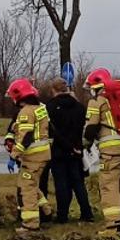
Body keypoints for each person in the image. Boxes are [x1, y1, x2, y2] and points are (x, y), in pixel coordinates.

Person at [83, 68, 120, 234]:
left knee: (109, 187)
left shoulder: (97, 101)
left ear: (95, 87)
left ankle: (113, 226)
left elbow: (91, 129)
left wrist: (85, 145)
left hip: (112, 153)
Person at [44, 77, 93, 223]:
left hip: (59, 150)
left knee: (61, 184)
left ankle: (62, 215)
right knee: (78, 183)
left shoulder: (50, 107)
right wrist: (77, 147)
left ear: (53, 90)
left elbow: (51, 131)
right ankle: (87, 213)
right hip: (77, 150)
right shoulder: (79, 106)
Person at [5, 78, 52, 231]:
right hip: (42, 155)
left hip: (33, 157)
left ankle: (30, 225)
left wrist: (14, 155)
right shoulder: (40, 108)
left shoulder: (26, 111)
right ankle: (46, 209)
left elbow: (26, 136)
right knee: (31, 183)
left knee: (27, 189)